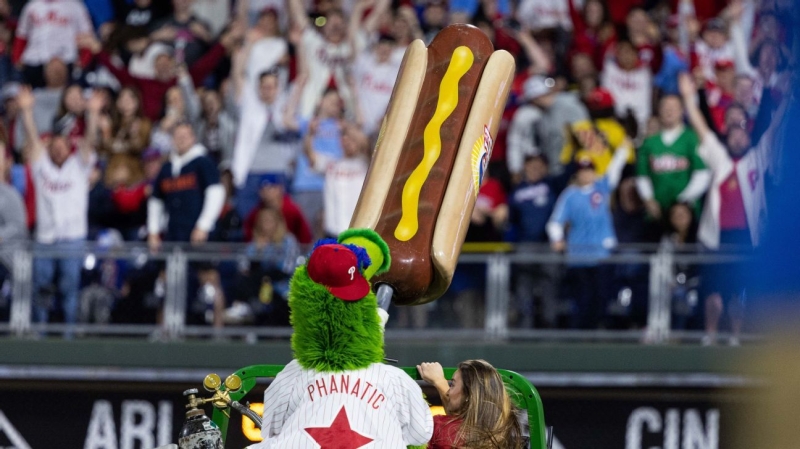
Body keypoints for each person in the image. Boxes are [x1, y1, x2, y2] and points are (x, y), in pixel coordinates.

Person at [679, 72, 785, 346]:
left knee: (737, 291)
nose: (739, 139)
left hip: (745, 236)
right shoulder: (720, 159)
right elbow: (701, 126)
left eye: (743, 135)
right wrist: (690, 98)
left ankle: (735, 336)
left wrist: (786, 99)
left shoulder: (757, 158)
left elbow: (773, 127)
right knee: (712, 291)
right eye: (734, 135)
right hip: (717, 236)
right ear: (727, 137)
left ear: (749, 138)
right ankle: (711, 334)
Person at [19, 85, 97, 336]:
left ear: (69, 146)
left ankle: (69, 337)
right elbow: (32, 140)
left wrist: (93, 115)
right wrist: (27, 111)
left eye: (63, 145)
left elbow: (90, 142)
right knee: (40, 290)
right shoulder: (43, 167)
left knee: (69, 292)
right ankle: (39, 335)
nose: (59, 149)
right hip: (45, 239)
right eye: (55, 145)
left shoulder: (79, 166)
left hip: (72, 239)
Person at [546, 144, 629, 329]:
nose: (586, 174)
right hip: (578, 257)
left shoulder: (601, 188)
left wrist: (624, 147)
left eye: (589, 170)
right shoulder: (570, 195)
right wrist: (557, 239)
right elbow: (555, 222)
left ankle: (598, 333)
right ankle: (581, 336)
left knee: (602, 298)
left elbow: (614, 170)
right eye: (582, 171)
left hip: (602, 255)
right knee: (582, 300)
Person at [509, 154, 571, 328]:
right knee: (523, 288)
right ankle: (525, 330)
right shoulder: (517, 189)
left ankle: (549, 330)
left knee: (550, 287)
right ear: (525, 166)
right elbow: (511, 219)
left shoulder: (552, 184)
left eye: (539, 165)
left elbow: (569, 170)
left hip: (548, 245)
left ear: (545, 168)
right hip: (525, 245)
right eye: (531, 164)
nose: (535, 168)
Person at [635, 94, 711, 229]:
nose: (669, 111)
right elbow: (642, 175)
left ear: (682, 110)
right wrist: (649, 199)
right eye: (665, 107)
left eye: (674, 107)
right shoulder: (649, 143)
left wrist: (683, 201)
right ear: (659, 110)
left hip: (687, 214)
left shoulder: (692, 138)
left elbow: (702, 174)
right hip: (657, 213)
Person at [417, 360, 524, 449]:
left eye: (452, 385)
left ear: (469, 396)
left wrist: (439, 381)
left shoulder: (440, 429)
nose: (448, 392)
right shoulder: (504, 435)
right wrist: (439, 381)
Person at [507, 74, 589, 180]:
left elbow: (585, 133)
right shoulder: (534, 115)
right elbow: (518, 143)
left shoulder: (566, 104)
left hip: (574, 164)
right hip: (552, 168)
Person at [304, 120, 368, 238]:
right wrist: (311, 134)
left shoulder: (368, 163)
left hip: (360, 230)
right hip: (334, 232)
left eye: (351, 138)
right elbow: (310, 155)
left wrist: (350, 128)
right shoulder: (331, 163)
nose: (347, 141)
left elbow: (368, 144)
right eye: (344, 137)